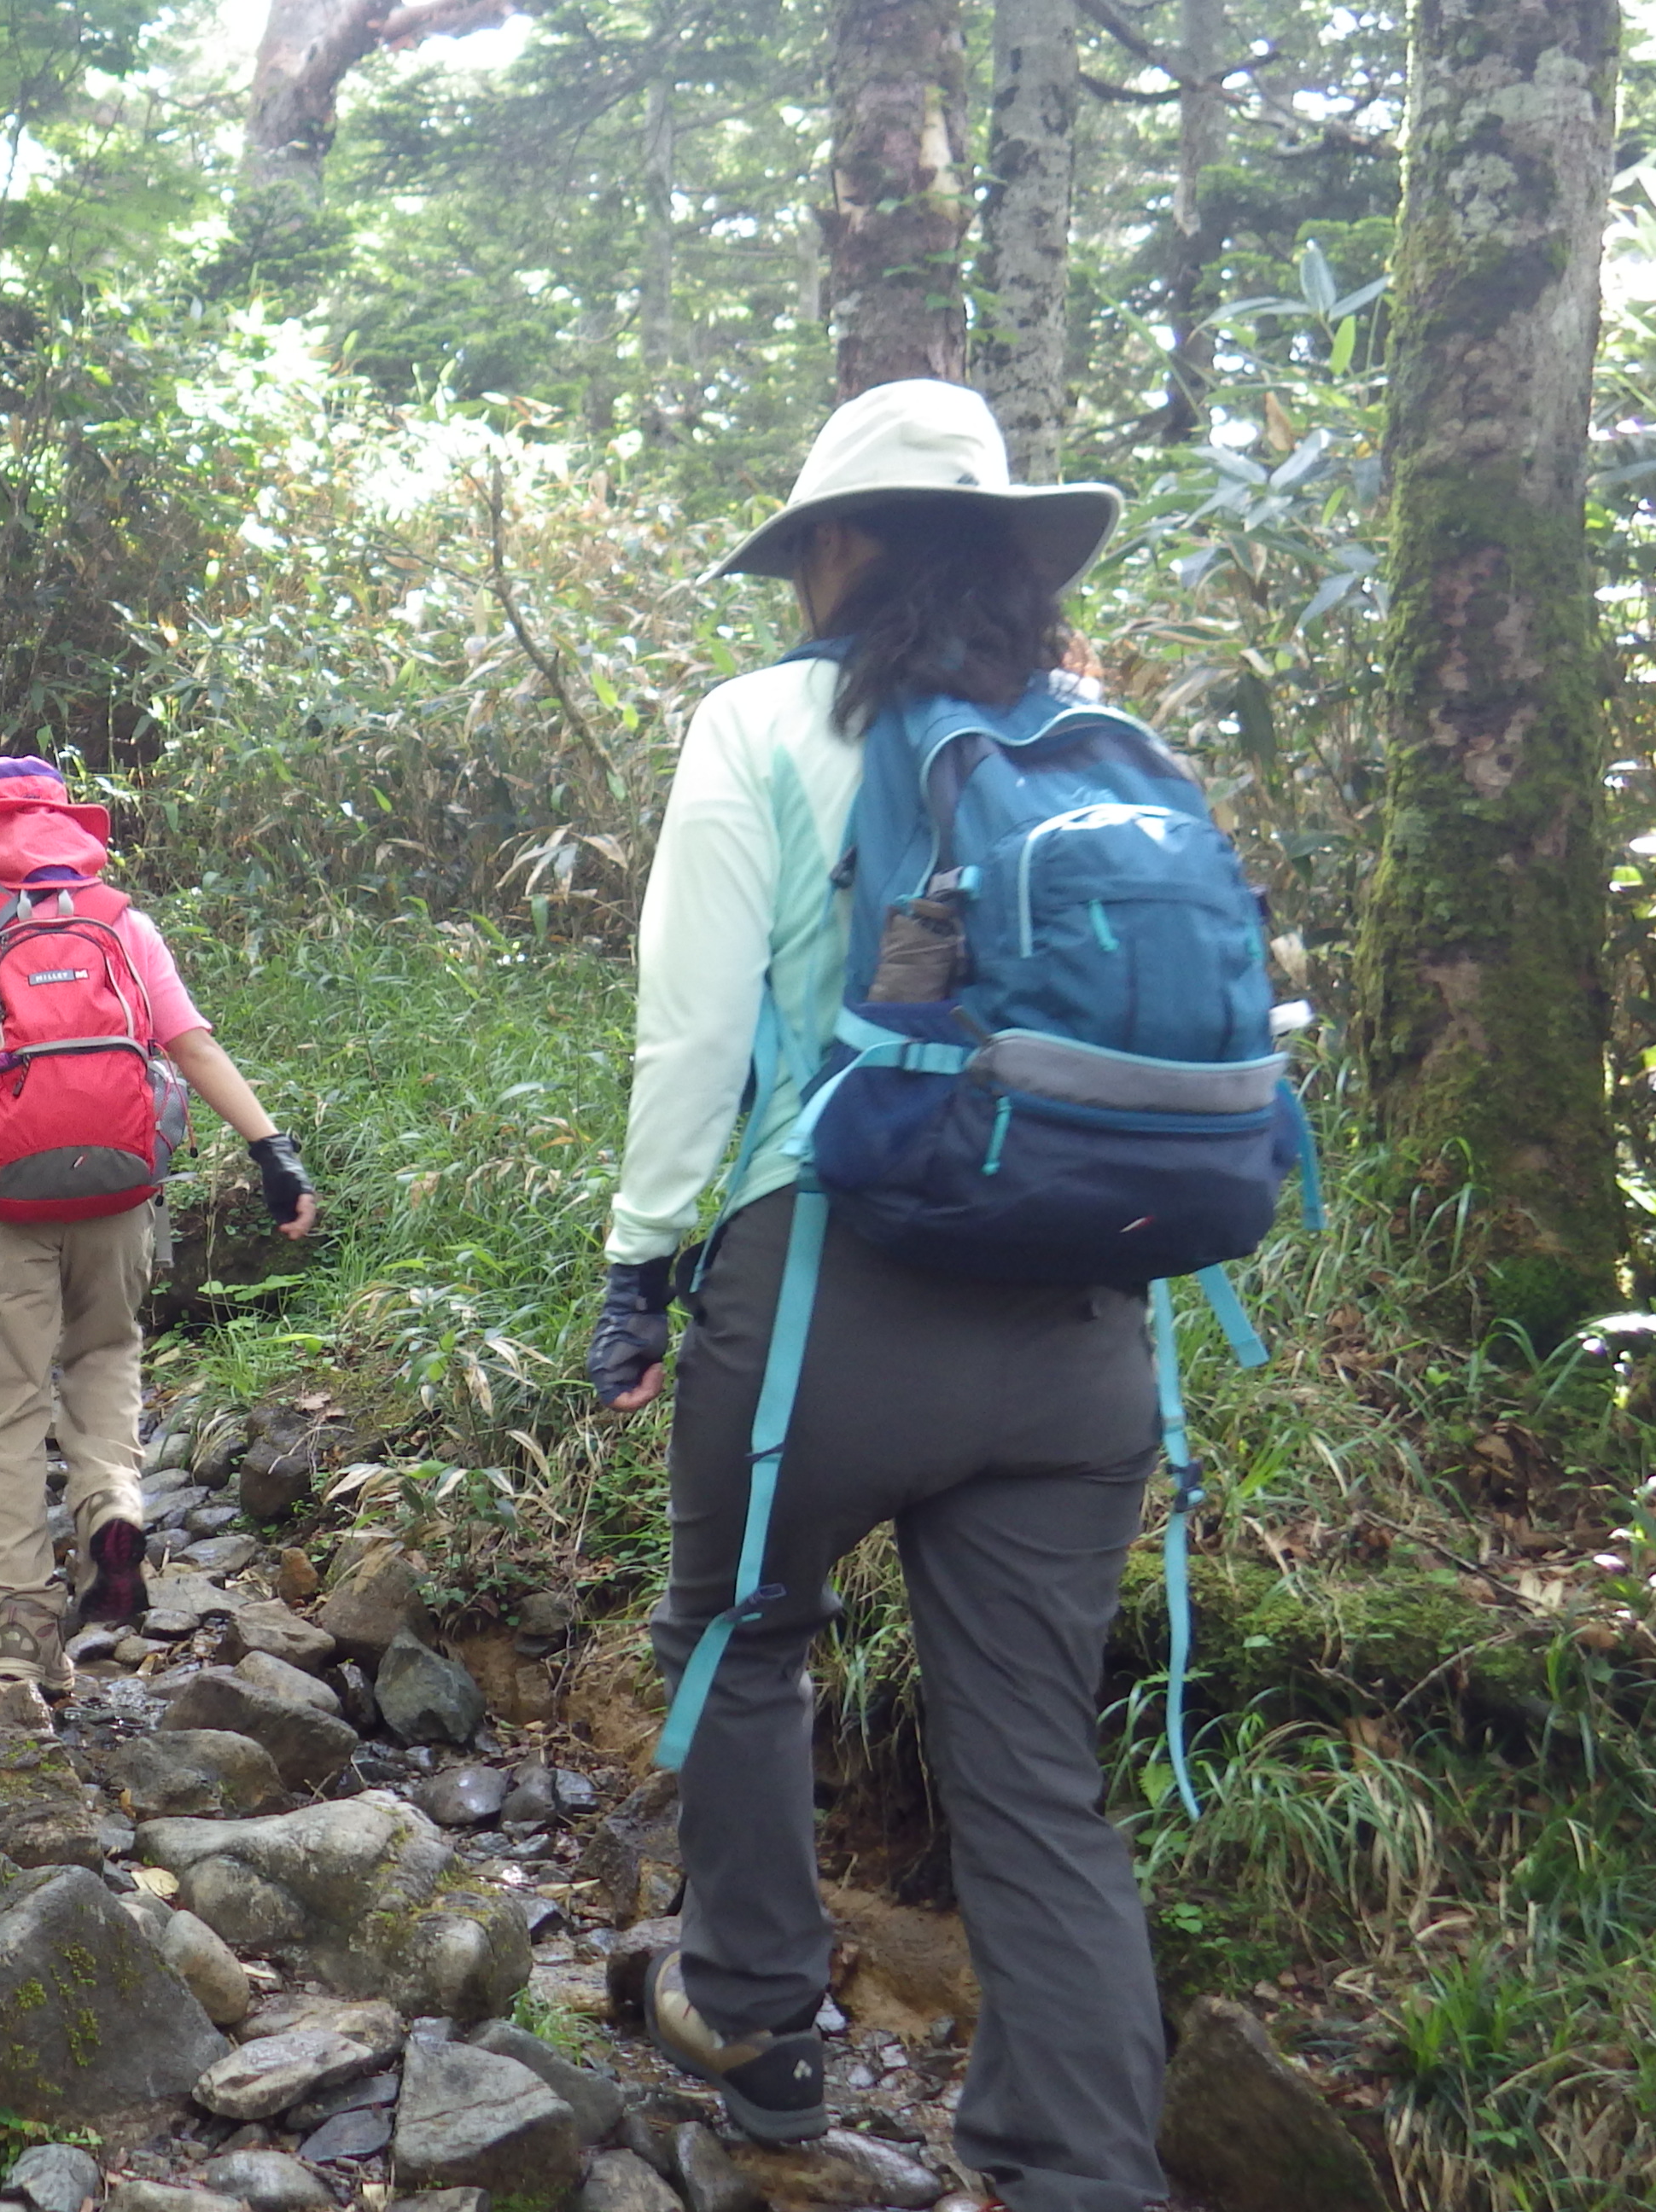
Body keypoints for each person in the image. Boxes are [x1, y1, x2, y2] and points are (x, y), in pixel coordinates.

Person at [590, 381, 1167, 2212]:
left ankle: (762, 2052)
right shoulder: (1099, 739)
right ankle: (1076, 2177)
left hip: (826, 1294)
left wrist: (639, 1265)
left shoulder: (762, 723)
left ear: (837, 547)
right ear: (1006, 548)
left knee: (738, 1646)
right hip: (1082, 1331)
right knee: (1032, 1778)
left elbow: (693, 1029)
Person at [0, 756, 321, 1724]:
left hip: (6, 1206)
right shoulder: (123, 921)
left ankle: (21, 1648)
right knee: (108, 1359)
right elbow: (192, 1047)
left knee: (9, 1405)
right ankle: (112, 1512)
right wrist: (272, 1153)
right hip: (122, 1193)